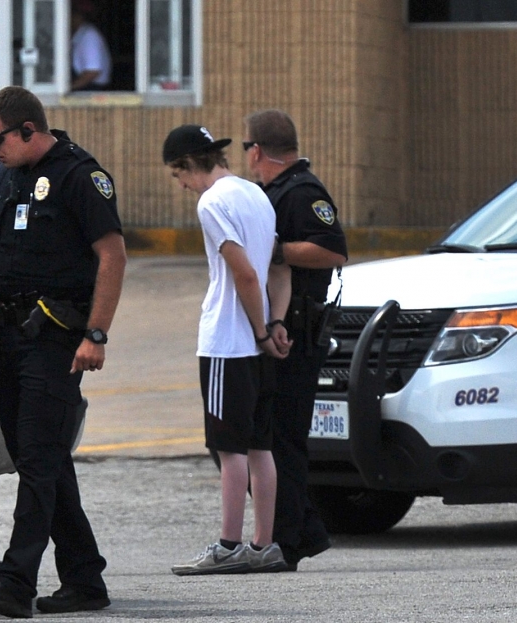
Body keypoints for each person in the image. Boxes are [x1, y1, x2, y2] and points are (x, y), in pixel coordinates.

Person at [0, 85, 125, 618]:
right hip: (10, 335)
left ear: (29, 130)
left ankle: (16, 580)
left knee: (36, 458)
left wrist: (96, 334)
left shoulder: (80, 177)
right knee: (42, 456)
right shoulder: (0, 176)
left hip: (58, 337)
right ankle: (85, 579)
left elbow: (112, 256)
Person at [162, 124, 292, 576]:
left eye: (177, 176)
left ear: (185, 166)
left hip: (227, 341)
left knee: (228, 446)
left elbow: (245, 275)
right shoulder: (257, 196)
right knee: (260, 444)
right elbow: (278, 267)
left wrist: (258, 330)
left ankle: (229, 545)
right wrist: (276, 323)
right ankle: (264, 545)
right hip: (256, 345)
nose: (180, 186)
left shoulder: (212, 202)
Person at [243, 109, 348, 571]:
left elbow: (331, 249)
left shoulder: (302, 192)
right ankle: (302, 531)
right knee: (268, 435)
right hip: (282, 331)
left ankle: (290, 537)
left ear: (257, 151)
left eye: (247, 148)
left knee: (280, 438)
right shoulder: (275, 192)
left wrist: (274, 250)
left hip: (299, 335)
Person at [70, 0, 112, 91]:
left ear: (78, 16)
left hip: (92, 90)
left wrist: (69, 88)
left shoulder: (89, 36)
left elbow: (92, 71)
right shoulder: (79, 35)